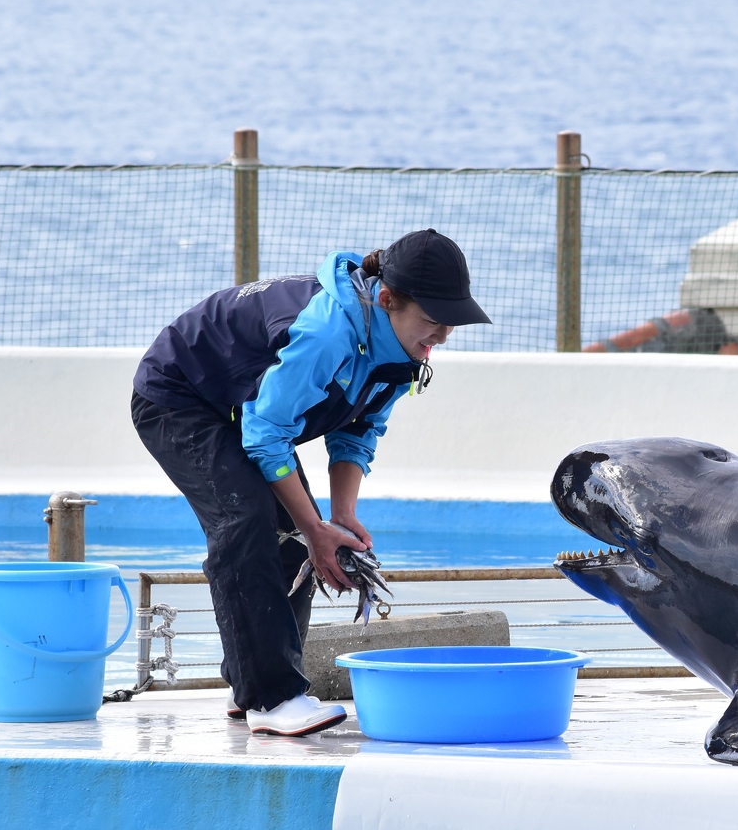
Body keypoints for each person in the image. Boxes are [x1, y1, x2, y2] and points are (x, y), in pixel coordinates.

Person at [130, 230, 490, 735]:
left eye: (452, 321)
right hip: (180, 394)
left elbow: (359, 431)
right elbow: (266, 433)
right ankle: (271, 699)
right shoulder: (327, 334)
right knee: (246, 521)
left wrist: (338, 519)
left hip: (243, 408)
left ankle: (250, 682)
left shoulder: (403, 351)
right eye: (433, 320)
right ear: (387, 300)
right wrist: (315, 527)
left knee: (298, 536)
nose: (443, 335)